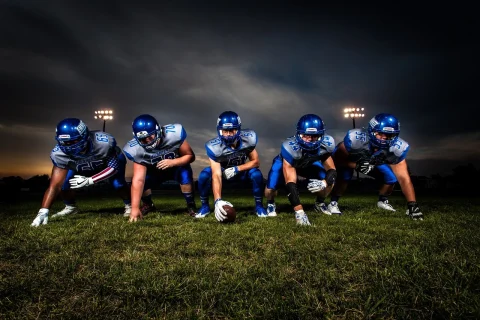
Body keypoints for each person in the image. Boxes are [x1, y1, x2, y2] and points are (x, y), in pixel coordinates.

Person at [31, 118, 132, 227]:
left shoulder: (103, 143)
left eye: (73, 141)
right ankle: (71, 207)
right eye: (65, 142)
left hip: (106, 164)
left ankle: (129, 205)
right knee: (64, 183)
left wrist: (90, 180)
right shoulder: (59, 154)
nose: (69, 146)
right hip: (80, 167)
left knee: (118, 183)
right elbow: (55, 186)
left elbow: (114, 167)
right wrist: (43, 210)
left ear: (85, 136)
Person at [326, 113, 423, 220]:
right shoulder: (355, 139)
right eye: (380, 133)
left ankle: (382, 201)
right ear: (371, 131)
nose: (384, 138)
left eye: (389, 135)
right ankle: (333, 203)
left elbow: (404, 178)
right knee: (345, 176)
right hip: (350, 159)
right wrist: (356, 165)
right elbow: (336, 159)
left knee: (391, 178)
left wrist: (412, 204)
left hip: (374, 161)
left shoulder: (398, 147)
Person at [264, 114, 337, 225]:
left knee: (329, 181)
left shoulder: (327, 144)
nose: (309, 140)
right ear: (299, 134)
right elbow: (290, 183)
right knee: (270, 189)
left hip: (308, 163)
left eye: (314, 136)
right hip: (288, 162)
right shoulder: (289, 148)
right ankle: (270, 203)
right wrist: (299, 212)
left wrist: (325, 182)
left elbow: (332, 170)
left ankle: (319, 203)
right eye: (305, 135)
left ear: (321, 135)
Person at [123, 114, 197, 222]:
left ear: (158, 131)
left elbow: (190, 156)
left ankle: (191, 204)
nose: (148, 141)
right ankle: (148, 204)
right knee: (141, 182)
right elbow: (138, 179)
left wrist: (173, 162)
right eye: (143, 139)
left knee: (185, 173)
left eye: (150, 137)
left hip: (175, 167)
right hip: (154, 171)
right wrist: (134, 208)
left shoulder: (174, 134)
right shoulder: (135, 149)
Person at [195, 111, 267, 220]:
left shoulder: (248, 139)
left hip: (241, 173)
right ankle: (205, 206)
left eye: (231, 131)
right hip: (223, 173)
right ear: (220, 130)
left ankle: (259, 206)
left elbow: (256, 162)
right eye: (225, 131)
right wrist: (218, 200)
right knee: (204, 175)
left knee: (256, 174)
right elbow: (216, 175)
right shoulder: (214, 147)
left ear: (238, 130)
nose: (228, 135)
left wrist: (238, 168)